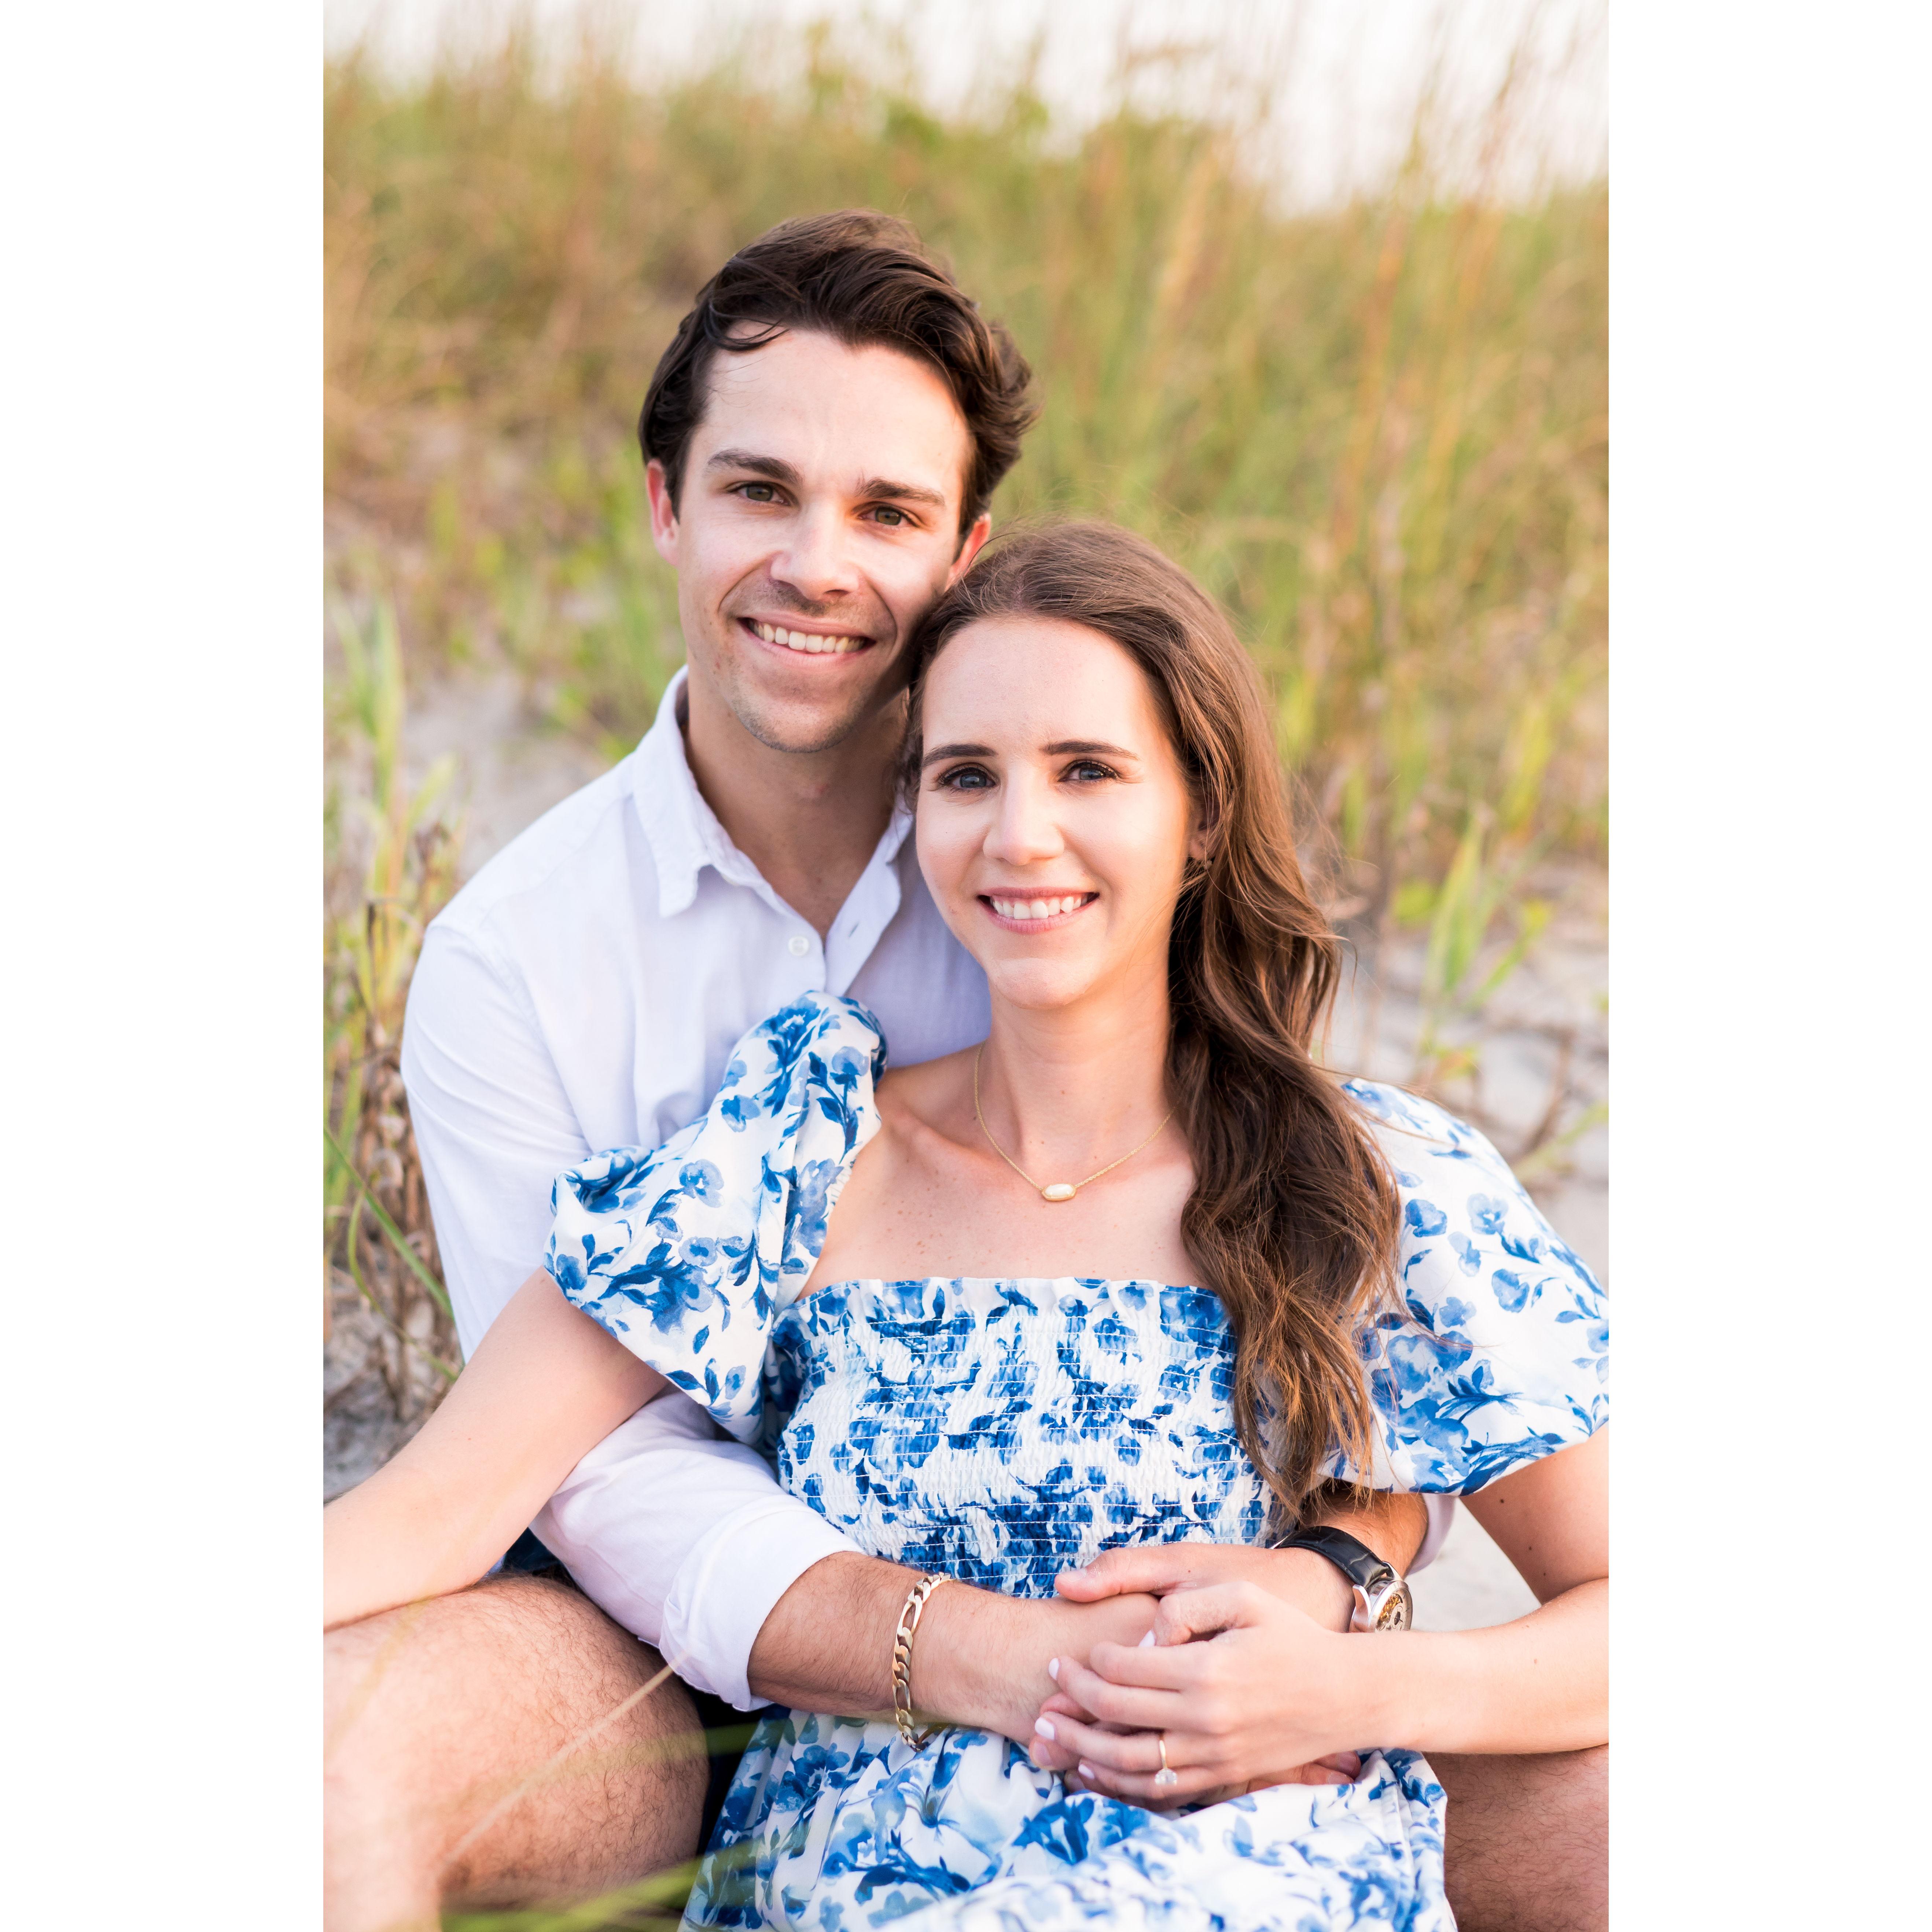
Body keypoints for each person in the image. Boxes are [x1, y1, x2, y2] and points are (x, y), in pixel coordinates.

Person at [323, 213, 1603, 1932]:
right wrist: (995, 1654)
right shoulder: (750, 1123)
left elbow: (1395, 1423)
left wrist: (1342, 1633)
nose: (1020, 839)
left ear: (1199, 816)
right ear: (665, 503)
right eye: (968, 778)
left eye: (1089, 773)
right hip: (726, 1730)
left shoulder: (1357, 1166)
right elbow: (491, 1489)